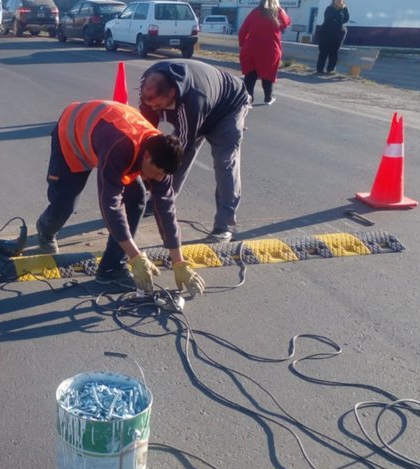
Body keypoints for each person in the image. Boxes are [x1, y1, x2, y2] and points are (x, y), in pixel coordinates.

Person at [35, 100, 205, 296]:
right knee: (65, 204)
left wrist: (179, 262)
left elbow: (166, 209)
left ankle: (111, 267)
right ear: (147, 157)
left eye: (163, 176)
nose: (159, 179)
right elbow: (111, 205)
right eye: (157, 173)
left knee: (138, 197)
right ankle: (45, 228)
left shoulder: (163, 154)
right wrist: (136, 257)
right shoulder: (119, 147)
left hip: (104, 135)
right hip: (73, 134)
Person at [138, 60, 250, 244]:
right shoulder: (149, 84)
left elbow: (180, 150)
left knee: (224, 163)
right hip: (200, 106)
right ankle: (158, 201)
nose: (155, 110)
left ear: (172, 93)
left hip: (227, 109)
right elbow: (145, 129)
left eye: (159, 106)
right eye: (151, 105)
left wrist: (155, 172)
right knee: (165, 155)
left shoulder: (192, 101)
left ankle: (224, 226)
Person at [238, 0, 291, 106]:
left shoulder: (254, 12)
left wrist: (243, 45)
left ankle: (248, 99)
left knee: (250, 74)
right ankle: (268, 97)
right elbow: (286, 23)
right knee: (268, 74)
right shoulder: (278, 12)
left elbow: (242, 31)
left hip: (251, 49)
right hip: (270, 50)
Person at [317, 0, 350, 74]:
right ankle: (319, 69)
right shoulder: (329, 8)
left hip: (338, 33)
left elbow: (346, 19)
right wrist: (338, 13)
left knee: (334, 52)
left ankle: (330, 70)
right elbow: (328, 19)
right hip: (326, 32)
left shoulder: (344, 9)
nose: (338, 1)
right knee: (323, 51)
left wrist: (338, 17)